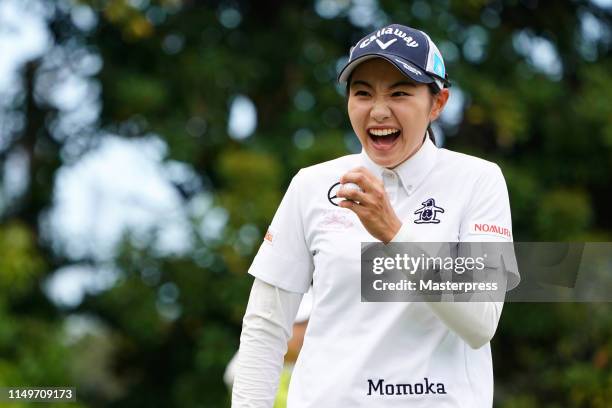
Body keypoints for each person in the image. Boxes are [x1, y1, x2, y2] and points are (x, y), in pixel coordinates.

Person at [232, 23, 519, 408]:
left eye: (399, 93)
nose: (378, 110)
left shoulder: (478, 181)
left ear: (438, 103)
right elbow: (265, 327)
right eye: (362, 93)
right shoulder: (311, 185)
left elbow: (481, 322)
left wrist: (395, 234)